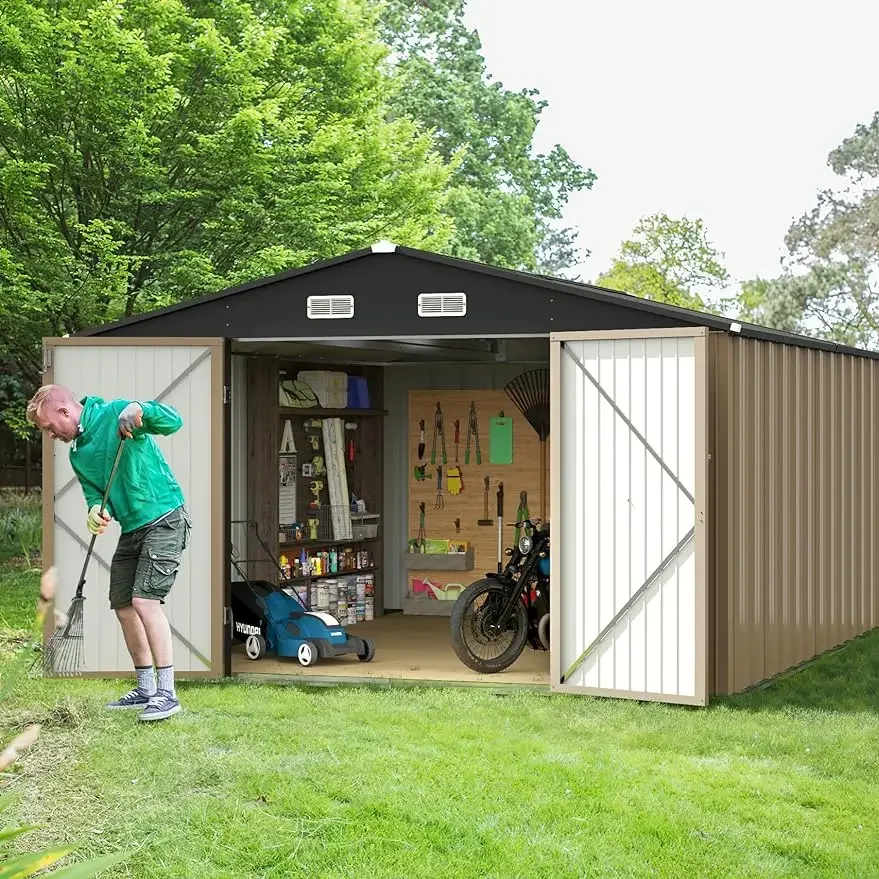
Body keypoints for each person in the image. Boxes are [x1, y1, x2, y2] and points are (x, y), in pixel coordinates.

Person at [26, 384, 191, 722]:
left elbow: (174, 422)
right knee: (124, 606)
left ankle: (167, 693)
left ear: (64, 412)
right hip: (132, 528)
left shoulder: (116, 412)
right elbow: (93, 493)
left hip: (164, 518)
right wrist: (94, 511)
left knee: (145, 602)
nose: (50, 434)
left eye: (48, 427)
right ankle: (145, 688)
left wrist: (139, 408)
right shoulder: (77, 453)